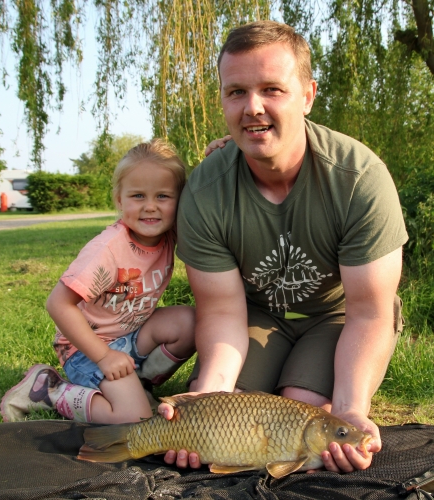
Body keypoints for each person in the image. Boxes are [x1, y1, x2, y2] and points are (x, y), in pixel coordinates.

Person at [159, 20, 408, 474]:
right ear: (223, 99)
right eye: (236, 92)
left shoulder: (359, 179)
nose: (252, 108)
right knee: (224, 424)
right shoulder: (205, 191)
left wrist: (349, 409)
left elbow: (369, 311)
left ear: (308, 95)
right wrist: (209, 396)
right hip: (253, 315)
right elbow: (221, 311)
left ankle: (321, 389)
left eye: (272, 89)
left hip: (337, 316)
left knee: (306, 414)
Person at [0, 139, 195, 424]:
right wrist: (104, 357)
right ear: (119, 200)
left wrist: (225, 151)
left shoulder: (168, 234)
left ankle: (137, 384)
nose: (151, 207)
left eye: (163, 196)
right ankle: (49, 391)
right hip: (87, 348)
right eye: (138, 196)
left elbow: (207, 204)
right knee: (136, 419)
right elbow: (58, 304)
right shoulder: (107, 250)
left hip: (131, 335)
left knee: (191, 323)